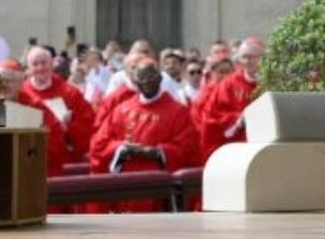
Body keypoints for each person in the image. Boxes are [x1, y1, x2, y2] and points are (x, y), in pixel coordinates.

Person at [89, 57, 201, 212]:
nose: (147, 82)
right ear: (135, 81)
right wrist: (121, 148)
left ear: (160, 78)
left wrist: (158, 152)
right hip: (125, 188)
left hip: (160, 191)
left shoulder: (178, 112)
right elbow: (99, 144)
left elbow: (188, 148)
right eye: (142, 78)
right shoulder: (122, 110)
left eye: (151, 77)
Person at [19, 46, 95, 176]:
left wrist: (69, 126)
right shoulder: (21, 93)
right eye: (35, 64)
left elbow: (89, 124)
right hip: (28, 158)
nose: (40, 68)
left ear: (51, 64)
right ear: (28, 67)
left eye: (44, 63)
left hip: (62, 162)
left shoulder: (70, 93)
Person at [193, 36, 264, 160]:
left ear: (262, 58)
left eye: (252, 57)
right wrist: (239, 119)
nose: (247, 61)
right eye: (244, 57)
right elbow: (211, 116)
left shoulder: (273, 82)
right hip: (237, 147)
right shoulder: (228, 84)